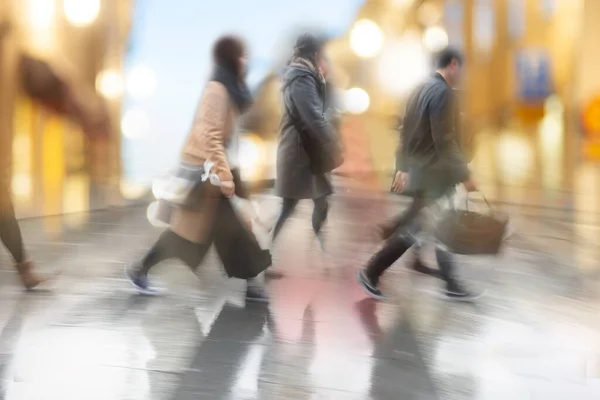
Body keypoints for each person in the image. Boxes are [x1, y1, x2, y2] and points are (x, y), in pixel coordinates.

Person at [125, 36, 269, 302]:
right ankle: (140, 269)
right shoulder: (217, 89)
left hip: (217, 170)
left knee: (215, 233)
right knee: (202, 234)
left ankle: (251, 284)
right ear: (230, 59)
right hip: (208, 175)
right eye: (241, 56)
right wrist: (225, 176)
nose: (245, 61)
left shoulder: (230, 88)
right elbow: (211, 135)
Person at [357, 47, 480, 302]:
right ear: (453, 64)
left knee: (438, 225)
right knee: (417, 229)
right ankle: (371, 271)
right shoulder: (443, 93)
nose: (461, 74)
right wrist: (464, 173)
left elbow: (404, 134)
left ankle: (451, 283)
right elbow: (444, 140)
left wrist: (402, 168)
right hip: (436, 174)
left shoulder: (418, 89)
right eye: (461, 69)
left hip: (420, 172)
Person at [271, 33, 341, 251]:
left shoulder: (305, 74)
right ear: (315, 54)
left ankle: (322, 251)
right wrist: (333, 143)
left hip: (308, 152)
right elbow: (312, 115)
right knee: (289, 207)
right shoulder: (301, 77)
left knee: (321, 202)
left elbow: (316, 111)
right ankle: (265, 253)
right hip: (299, 153)